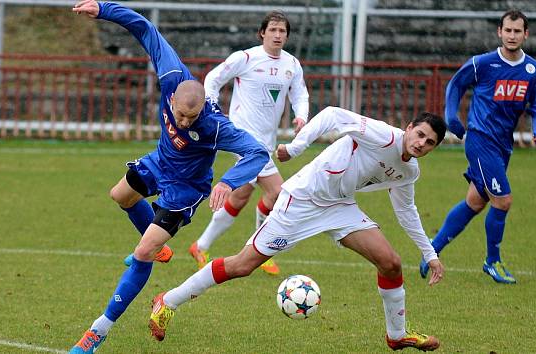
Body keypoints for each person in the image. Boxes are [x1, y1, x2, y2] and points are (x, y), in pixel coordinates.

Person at [148, 107, 448, 351]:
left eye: (429, 142)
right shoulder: (383, 135)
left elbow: (406, 211)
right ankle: (168, 301)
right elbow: (331, 114)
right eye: (419, 134)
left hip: (340, 207)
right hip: (301, 201)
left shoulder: (410, 170)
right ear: (409, 128)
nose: (421, 143)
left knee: (391, 263)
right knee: (242, 265)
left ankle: (397, 336)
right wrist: (294, 148)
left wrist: (429, 254)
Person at [68, 1, 269, 353]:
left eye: (192, 118)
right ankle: (158, 248)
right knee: (120, 196)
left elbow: (257, 153)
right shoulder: (171, 75)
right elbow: (146, 29)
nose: (185, 122)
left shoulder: (215, 126)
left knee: (142, 251)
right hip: (159, 162)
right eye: (180, 115)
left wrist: (228, 181)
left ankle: (98, 331)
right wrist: (103, 9)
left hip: (185, 189)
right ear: (172, 97)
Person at [419, 9, 536, 284]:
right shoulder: (483, 63)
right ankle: (492, 261)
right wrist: (452, 117)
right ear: (499, 32)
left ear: (526, 34)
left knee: (475, 202)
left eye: (517, 31)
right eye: (507, 30)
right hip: (480, 140)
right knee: (503, 201)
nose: (512, 36)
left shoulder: (533, 69)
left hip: (503, 144)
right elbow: (455, 85)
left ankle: (432, 247)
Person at [188, 10, 310, 276]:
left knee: (241, 195)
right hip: (244, 139)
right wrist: (212, 106)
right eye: (273, 30)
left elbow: (300, 93)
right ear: (262, 33)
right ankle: (260, 250)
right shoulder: (246, 58)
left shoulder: (292, 64)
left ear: (287, 36)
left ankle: (201, 245)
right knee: (277, 194)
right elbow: (213, 78)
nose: (278, 35)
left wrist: (301, 116)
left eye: (282, 31)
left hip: (267, 141)